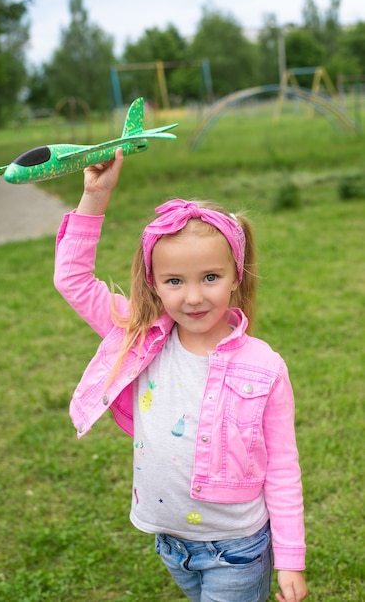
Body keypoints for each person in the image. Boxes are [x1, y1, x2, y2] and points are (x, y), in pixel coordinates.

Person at [54, 148, 308, 602]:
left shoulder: (265, 366)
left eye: (210, 276)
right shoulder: (139, 335)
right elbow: (72, 279)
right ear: (153, 282)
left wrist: (290, 557)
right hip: (169, 542)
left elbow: (284, 468)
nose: (193, 297)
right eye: (174, 281)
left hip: (237, 548)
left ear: (236, 276)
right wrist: (96, 195)